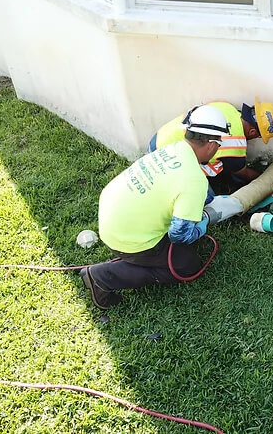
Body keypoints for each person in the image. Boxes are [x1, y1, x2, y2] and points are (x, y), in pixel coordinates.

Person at [80, 105, 230, 310]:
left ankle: (128, 261)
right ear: (212, 145)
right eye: (219, 144)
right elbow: (180, 235)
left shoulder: (171, 149)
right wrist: (201, 225)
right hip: (127, 238)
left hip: (110, 215)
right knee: (187, 265)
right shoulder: (194, 180)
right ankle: (103, 277)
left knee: (181, 250)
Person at [149, 99, 273, 194]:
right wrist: (266, 178)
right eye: (259, 136)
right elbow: (244, 174)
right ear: (253, 132)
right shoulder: (234, 145)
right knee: (208, 199)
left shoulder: (226, 106)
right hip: (166, 163)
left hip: (158, 139)